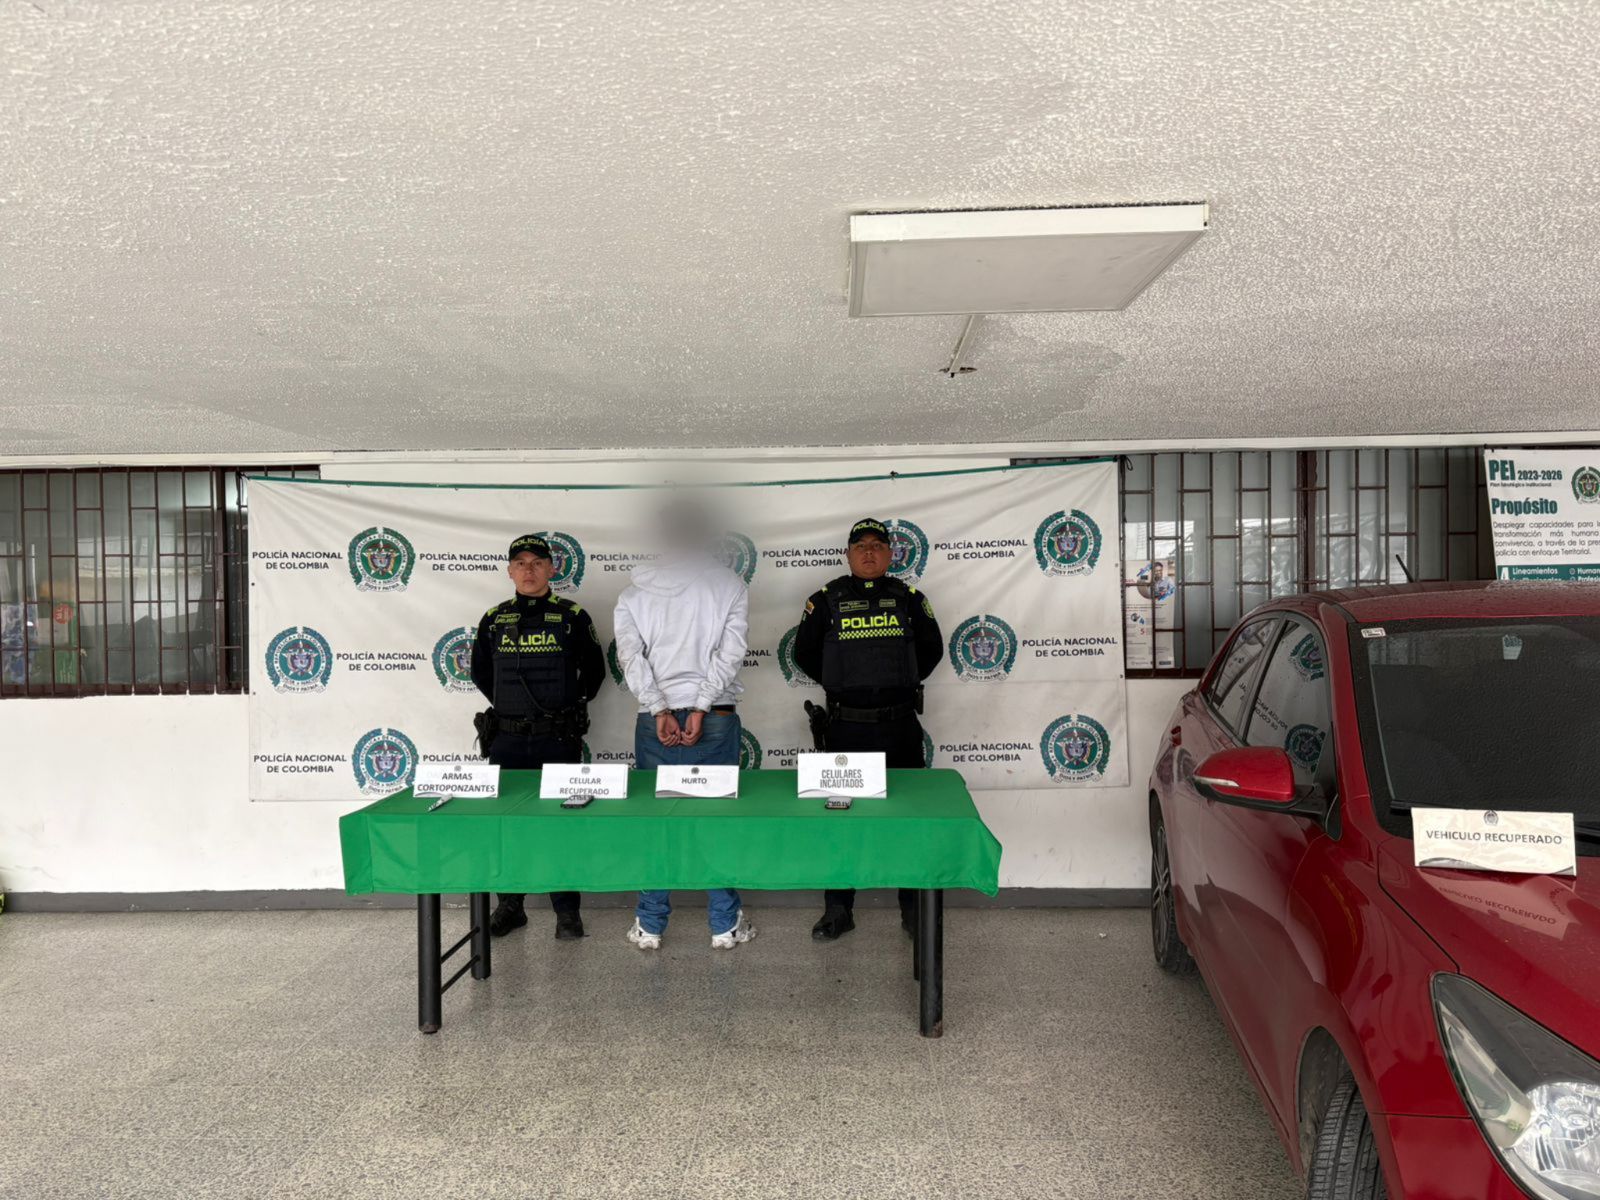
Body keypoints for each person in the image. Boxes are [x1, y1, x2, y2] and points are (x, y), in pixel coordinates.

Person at [613, 499, 756, 951]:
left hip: (654, 721)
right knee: (714, 822)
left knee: (659, 824)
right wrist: (698, 705)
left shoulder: (634, 594)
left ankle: (650, 925)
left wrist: (659, 708)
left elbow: (631, 659)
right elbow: (730, 654)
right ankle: (724, 926)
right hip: (713, 717)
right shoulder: (729, 585)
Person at [793, 517, 943, 941]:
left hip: (899, 725)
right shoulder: (825, 600)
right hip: (846, 729)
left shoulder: (909, 599)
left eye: (879, 544)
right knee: (842, 821)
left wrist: (892, 686)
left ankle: (912, 909)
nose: (870, 552)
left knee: (910, 820)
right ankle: (838, 910)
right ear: (848, 554)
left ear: (891, 554)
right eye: (861, 545)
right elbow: (805, 655)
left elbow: (931, 651)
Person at [470, 534, 606, 940]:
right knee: (507, 826)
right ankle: (511, 907)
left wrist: (566, 707)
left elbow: (594, 672)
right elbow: (481, 674)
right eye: (520, 563)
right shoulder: (494, 618)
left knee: (561, 825)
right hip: (507, 740)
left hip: (557, 739)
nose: (528, 570)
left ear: (552, 569)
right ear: (510, 571)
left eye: (537, 562)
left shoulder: (571, 615)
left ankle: (567, 913)